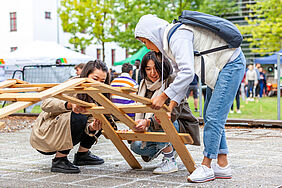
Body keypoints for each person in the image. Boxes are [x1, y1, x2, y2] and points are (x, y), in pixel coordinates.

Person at [135, 14, 246, 183]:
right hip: (220, 70)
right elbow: (181, 76)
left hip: (230, 64)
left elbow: (187, 74)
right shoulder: (171, 42)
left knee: (213, 116)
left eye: (146, 41)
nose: (148, 47)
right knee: (211, 115)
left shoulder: (178, 36)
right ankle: (222, 165)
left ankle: (207, 166)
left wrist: (163, 96)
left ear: (153, 34)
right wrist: (170, 108)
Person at [30, 60, 116, 174]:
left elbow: (89, 122)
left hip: (64, 130)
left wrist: (93, 127)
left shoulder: (98, 94)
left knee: (102, 117)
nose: (98, 84)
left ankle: (82, 155)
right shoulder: (72, 85)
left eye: (102, 81)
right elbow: (46, 103)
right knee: (78, 113)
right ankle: (59, 160)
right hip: (47, 134)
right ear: (85, 75)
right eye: (95, 79)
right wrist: (69, 105)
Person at [130, 51, 199, 174]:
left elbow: (172, 113)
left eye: (156, 68)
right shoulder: (143, 85)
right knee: (135, 146)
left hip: (178, 124)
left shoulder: (173, 80)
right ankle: (171, 148)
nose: (152, 73)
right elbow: (139, 110)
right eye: (148, 69)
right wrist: (136, 126)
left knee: (162, 117)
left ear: (164, 67)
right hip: (153, 126)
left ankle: (169, 160)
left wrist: (147, 122)